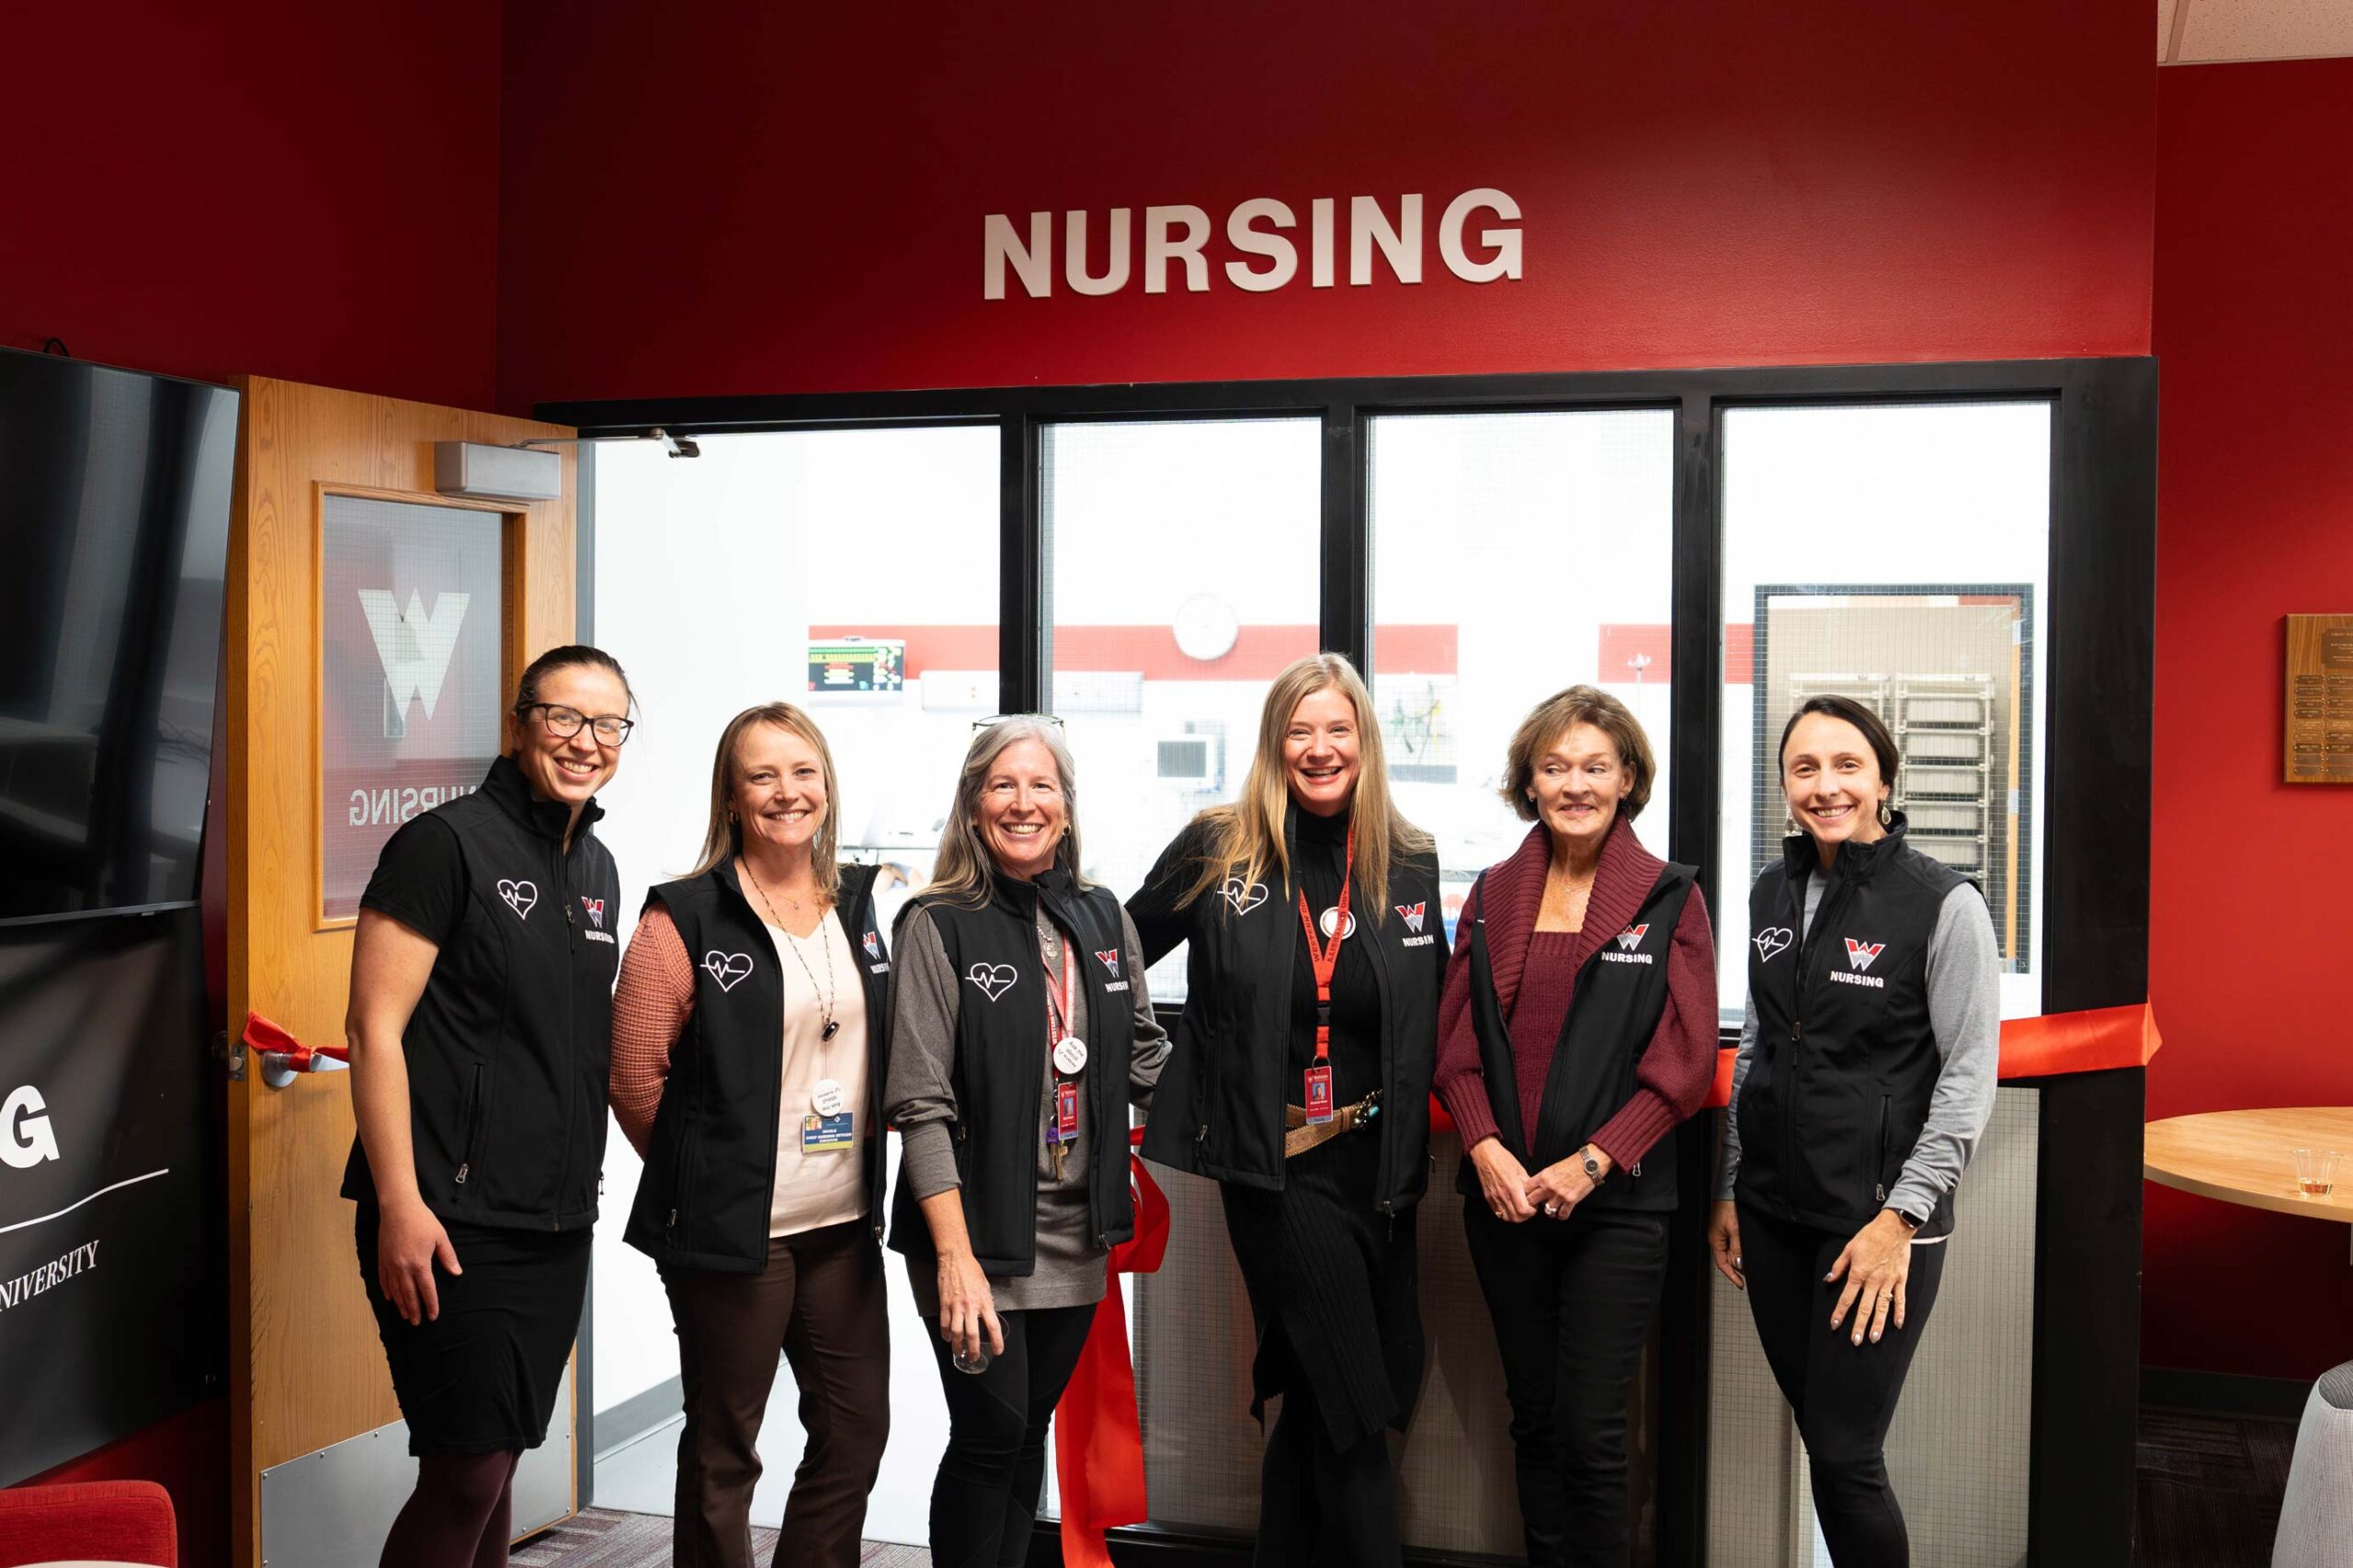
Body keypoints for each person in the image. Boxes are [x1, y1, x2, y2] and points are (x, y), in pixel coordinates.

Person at [1130, 653, 1444, 1568]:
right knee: (1352, 1412)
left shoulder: (1408, 859)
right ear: (1274, 744)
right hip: (1274, 1170)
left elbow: (1441, 1005)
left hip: (1380, 1170)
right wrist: (1161, 1068)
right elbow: (1107, 956)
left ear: (1364, 741)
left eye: (1337, 729)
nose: (1319, 748)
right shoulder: (1218, 847)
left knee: (1319, 1396)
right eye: (1298, 730)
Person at [342, 644, 631, 1568]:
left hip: (552, 1219)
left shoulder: (598, 866)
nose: (587, 741)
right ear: (520, 722)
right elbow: (372, 1028)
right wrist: (400, 1202)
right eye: (564, 716)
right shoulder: (444, 843)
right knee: (465, 1468)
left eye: (609, 724)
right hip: (445, 1214)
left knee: (499, 1463)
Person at [1709, 694, 2000, 1567]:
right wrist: (1731, 1182)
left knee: (1845, 1451)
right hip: (1771, 1212)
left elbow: (1966, 1079)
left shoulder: (1944, 905)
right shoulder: (1771, 888)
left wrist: (1899, 1221)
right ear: (1785, 785)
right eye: (1805, 768)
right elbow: (1759, 1042)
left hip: (1874, 1227)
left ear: (1884, 777)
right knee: (1828, 1445)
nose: (1825, 786)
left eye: (1846, 765)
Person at [1432, 687, 1718, 1568]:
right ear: (1529, 781)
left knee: (1594, 1435)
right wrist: (1483, 1145)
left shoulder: (1670, 898)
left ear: (1629, 778)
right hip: (1506, 1203)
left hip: (1619, 1210)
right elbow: (1454, 1042)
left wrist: (1594, 1162)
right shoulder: (1493, 892)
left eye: (1596, 766)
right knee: (1537, 1421)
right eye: (1555, 767)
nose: (1576, 785)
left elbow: (1688, 1060)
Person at [609, 703, 894, 1568]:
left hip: (842, 1224)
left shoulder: (868, 904)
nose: (787, 792)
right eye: (763, 776)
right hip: (734, 1235)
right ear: (732, 798)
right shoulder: (684, 916)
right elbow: (633, 1076)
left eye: (803, 772)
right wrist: (709, 1177)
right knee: (725, 1447)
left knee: (855, 1432)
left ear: (828, 786)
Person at [883, 716, 1169, 1568]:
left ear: (1067, 807)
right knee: (988, 1433)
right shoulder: (936, 923)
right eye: (1002, 785)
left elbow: (1145, 1047)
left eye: (1042, 785)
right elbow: (919, 1100)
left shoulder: (1104, 916)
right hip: (972, 1234)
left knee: (1027, 1430)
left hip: (1076, 1230)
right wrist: (954, 1259)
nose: (1023, 802)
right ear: (973, 808)